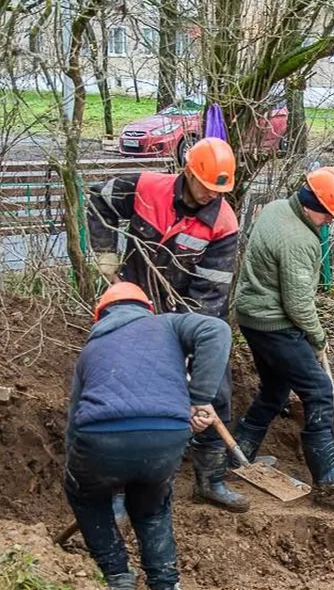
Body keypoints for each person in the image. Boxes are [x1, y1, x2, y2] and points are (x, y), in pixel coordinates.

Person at [86, 136, 248, 513]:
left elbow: (210, 295)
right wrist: (107, 252)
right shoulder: (146, 188)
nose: (212, 196)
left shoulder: (222, 223)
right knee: (130, 395)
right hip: (134, 305)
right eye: (207, 187)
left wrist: (189, 354)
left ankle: (211, 480)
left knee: (216, 390)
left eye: (219, 190)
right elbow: (99, 198)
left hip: (189, 311)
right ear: (188, 172)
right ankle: (121, 490)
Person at [65, 282, 232, 590]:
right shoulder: (168, 325)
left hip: (99, 437)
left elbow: (74, 420)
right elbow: (216, 329)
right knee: (151, 507)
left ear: (101, 316)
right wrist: (200, 398)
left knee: (85, 494)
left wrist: (81, 471)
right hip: (165, 434)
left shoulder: (91, 348)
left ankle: (118, 578)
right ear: (146, 308)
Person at [231, 166, 334, 495]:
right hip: (274, 324)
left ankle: (238, 452)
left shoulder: (278, 208)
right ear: (316, 206)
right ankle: (326, 476)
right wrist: (317, 336)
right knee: (319, 391)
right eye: (330, 214)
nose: (332, 221)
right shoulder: (298, 240)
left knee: (275, 389)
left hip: (252, 316)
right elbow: (297, 304)